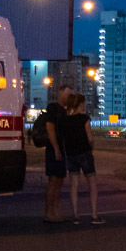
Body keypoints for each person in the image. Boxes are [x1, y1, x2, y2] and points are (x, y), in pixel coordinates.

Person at [63, 93, 103, 224]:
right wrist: (91, 149)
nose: (85, 105)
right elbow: (90, 138)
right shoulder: (84, 119)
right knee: (92, 183)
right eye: (83, 103)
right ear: (80, 104)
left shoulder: (65, 120)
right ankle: (94, 216)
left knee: (74, 185)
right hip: (84, 153)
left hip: (71, 155)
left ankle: (75, 216)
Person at [43, 84, 75, 223]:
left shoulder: (65, 111)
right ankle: (49, 213)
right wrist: (56, 148)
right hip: (53, 150)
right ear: (61, 94)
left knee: (59, 181)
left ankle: (55, 211)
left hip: (61, 150)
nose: (70, 98)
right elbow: (50, 128)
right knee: (53, 181)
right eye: (68, 95)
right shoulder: (53, 108)